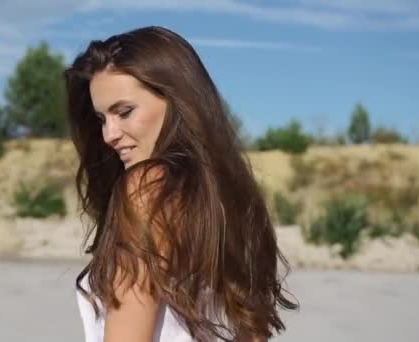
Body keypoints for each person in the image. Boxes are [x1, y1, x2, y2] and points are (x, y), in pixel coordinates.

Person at [64, 26, 298, 342]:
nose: (109, 134)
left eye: (124, 112)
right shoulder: (230, 200)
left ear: (176, 99)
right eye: (102, 118)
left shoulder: (147, 190)